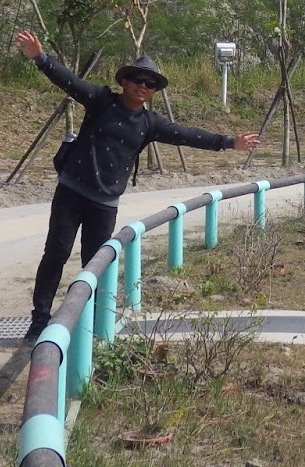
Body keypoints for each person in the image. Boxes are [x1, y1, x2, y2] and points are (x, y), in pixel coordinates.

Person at [14, 29, 259, 339]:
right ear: (125, 82)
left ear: (154, 90)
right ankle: (40, 321)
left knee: (96, 266)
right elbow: (69, 81)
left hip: (105, 204)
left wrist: (228, 142)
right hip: (71, 192)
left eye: (151, 83)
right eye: (138, 80)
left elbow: (188, 134)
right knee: (56, 253)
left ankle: (90, 327)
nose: (143, 86)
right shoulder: (102, 100)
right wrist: (41, 58)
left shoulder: (150, 124)